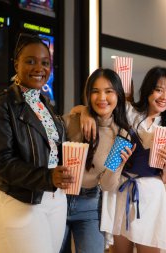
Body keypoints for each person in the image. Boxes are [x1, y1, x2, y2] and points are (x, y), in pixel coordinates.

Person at [0, 33, 72, 253]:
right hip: (17, 202)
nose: (39, 68)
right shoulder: (0, 104)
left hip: (54, 200)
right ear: (16, 64)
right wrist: (47, 177)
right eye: (30, 61)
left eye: (45, 63)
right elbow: (0, 163)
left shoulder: (45, 104)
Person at [77, 66, 166, 252]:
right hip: (119, 189)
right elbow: (94, 109)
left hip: (151, 196)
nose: (164, 96)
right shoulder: (128, 111)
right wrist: (86, 114)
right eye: (158, 90)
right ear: (148, 90)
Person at [61, 68, 135, 253]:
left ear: (118, 94)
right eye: (95, 91)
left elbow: (108, 186)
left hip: (90, 206)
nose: (102, 97)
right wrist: (83, 111)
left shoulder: (122, 134)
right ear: (88, 95)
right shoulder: (72, 121)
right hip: (58, 200)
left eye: (109, 91)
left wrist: (118, 165)